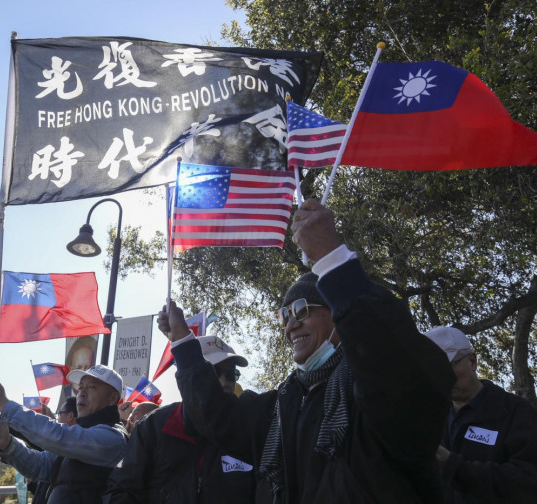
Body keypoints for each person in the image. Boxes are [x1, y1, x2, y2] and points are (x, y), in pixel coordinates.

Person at [157, 198, 456, 503]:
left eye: (300, 310)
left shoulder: (375, 387)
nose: (290, 326)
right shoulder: (280, 404)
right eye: (283, 316)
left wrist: (332, 259)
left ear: (337, 315)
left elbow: (389, 356)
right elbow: (217, 419)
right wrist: (182, 341)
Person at [105, 336, 255, 503]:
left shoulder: (250, 429)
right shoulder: (152, 427)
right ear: (188, 373)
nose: (225, 381)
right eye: (213, 371)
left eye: (231, 374)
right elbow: (120, 490)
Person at [425, 326, 537, 503]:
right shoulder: (431, 419)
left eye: (447, 366)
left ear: (472, 361)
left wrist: (453, 466)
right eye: (432, 370)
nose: (440, 376)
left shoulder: (515, 412)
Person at [0, 364, 128, 503]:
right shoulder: (83, 434)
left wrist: (4, 404)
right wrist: (7, 444)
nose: (82, 393)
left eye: (91, 387)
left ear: (113, 398)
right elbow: (40, 466)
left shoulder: (113, 438)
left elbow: (60, 437)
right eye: (81, 387)